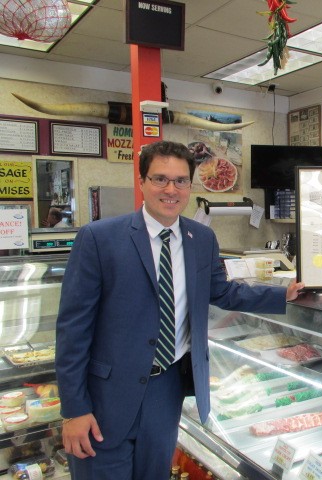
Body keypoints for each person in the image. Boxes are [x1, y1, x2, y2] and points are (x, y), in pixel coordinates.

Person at [55, 140, 304, 480]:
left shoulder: (201, 238)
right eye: (160, 179)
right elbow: (72, 330)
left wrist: (282, 295)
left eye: (181, 181)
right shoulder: (99, 238)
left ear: (190, 185)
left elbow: (222, 291)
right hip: (106, 396)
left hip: (167, 388)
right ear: (142, 182)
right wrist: (74, 409)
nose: (171, 190)